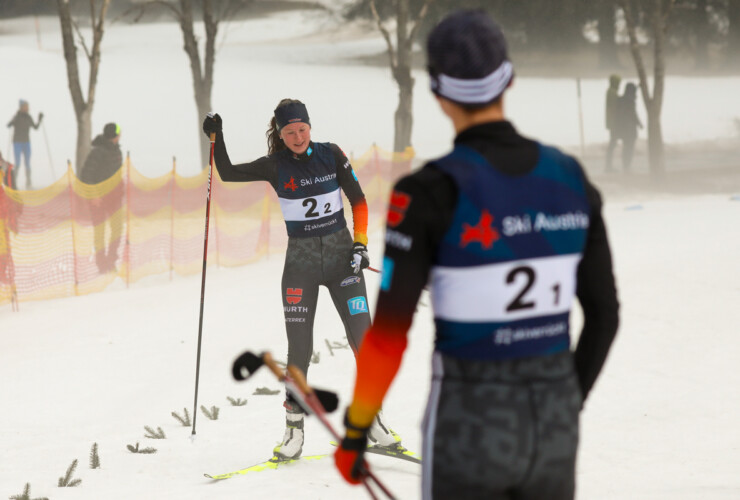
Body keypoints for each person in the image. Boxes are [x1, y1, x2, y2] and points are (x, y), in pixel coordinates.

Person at [334, 10, 620, 499]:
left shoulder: (424, 193)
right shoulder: (571, 178)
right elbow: (605, 315)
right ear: (507, 78)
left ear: (438, 92)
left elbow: (387, 336)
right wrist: (565, 402)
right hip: (552, 425)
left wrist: (357, 429)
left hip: (467, 426)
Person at [202, 99, 401, 461]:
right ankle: (293, 432)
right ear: (280, 134)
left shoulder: (332, 154)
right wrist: (218, 137)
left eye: (302, 129)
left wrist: (360, 245)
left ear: (310, 127)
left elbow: (358, 200)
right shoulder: (275, 166)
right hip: (301, 267)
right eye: (289, 131)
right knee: (299, 352)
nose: (297, 136)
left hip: (344, 264)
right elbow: (228, 173)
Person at [79, 122, 124, 274]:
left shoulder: (117, 151)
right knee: (100, 232)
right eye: (118, 133)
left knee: (117, 229)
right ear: (114, 135)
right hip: (98, 200)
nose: (120, 135)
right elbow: (86, 175)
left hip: (114, 198)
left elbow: (117, 176)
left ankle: (111, 260)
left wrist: (121, 190)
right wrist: (93, 196)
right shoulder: (97, 152)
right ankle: (102, 264)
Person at [6, 99, 43, 189]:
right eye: (26, 106)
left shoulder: (28, 117)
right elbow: (8, 125)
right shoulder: (17, 117)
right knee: (18, 163)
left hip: (26, 143)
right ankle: (13, 183)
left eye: (28, 106)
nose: (27, 108)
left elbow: (35, 127)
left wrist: (40, 119)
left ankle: (28, 183)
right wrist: (12, 122)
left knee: (27, 163)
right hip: (17, 143)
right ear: (21, 107)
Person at [615, 82, 642, 170]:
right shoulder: (630, 101)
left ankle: (625, 166)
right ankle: (627, 166)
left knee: (626, 147)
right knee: (629, 147)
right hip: (630, 129)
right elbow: (633, 114)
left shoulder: (621, 99)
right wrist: (639, 123)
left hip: (622, 128)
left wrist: (638, 86)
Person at [605, 74, 621, 171]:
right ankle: (608, 166)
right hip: (613, 122)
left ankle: (609, 165)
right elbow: (614, 108)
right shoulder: (612, 92)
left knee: (613, 143)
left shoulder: (610, 91)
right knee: (612, 143)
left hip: (612, 122)